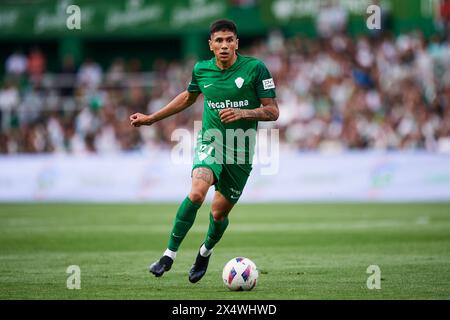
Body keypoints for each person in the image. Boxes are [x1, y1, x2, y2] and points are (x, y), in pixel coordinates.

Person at [129, 19, 279, 283]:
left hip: (240, 148)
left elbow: (273, 111)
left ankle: (205, 251)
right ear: (210, 45)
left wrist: (244, 112)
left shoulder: (256, 68)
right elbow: (188, 98)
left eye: (229, 40)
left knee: (218, 213)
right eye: (218, 41)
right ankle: (168, 255)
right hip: (210, 141)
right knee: (197, 192)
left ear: (236, 43)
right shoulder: (201, 70)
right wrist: (152, 118)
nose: (224, 46)